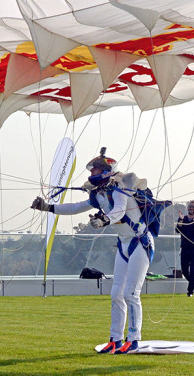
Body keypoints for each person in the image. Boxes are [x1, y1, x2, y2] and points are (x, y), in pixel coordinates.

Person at [31, 148, 152, 354]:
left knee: (131, 292)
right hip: (123, 244)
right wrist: (48, 207)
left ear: (106, 170)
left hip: (140, 242)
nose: (92, 172)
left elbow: (119, 211)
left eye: (95, 169)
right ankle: (115, 339)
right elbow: (76, 207)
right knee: (116, 294)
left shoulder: (120, 189)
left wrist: (104, 219)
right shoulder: (98, 195)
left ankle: (133, 339)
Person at [176, 201, 194, 296]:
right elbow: (178, 230)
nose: (191, 208)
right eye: (189, 207)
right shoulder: (184, 219)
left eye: (193, 207)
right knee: (184, 270)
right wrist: (180, 219)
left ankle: (190, 291)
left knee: (193, 270)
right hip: (185, 247)